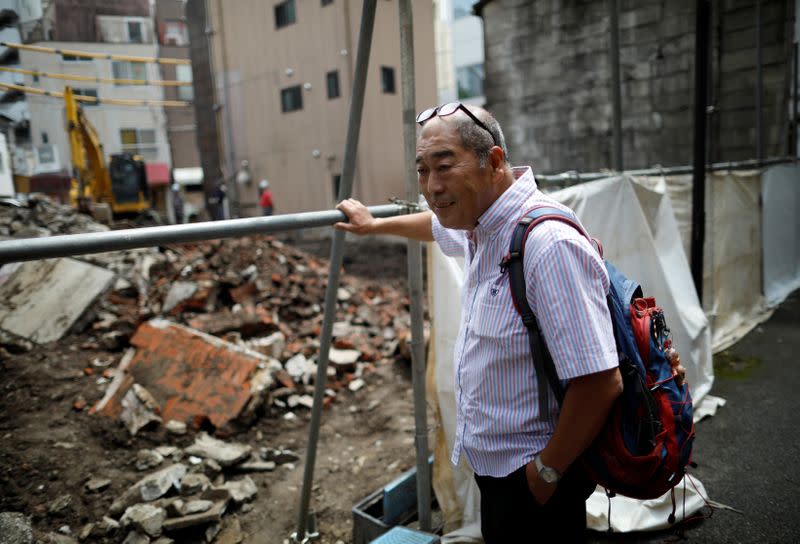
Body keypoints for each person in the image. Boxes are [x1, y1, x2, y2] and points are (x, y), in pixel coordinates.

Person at [334, 103, 623, 542]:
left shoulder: (547, 245)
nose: (432, 186)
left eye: (444, 166)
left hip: (537, 478)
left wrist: (545, 471)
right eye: (423, 170)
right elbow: (434, 226)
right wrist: (374, 226)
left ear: (493, 162)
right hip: (501, 475)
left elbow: (600, 381)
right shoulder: (480, 225)